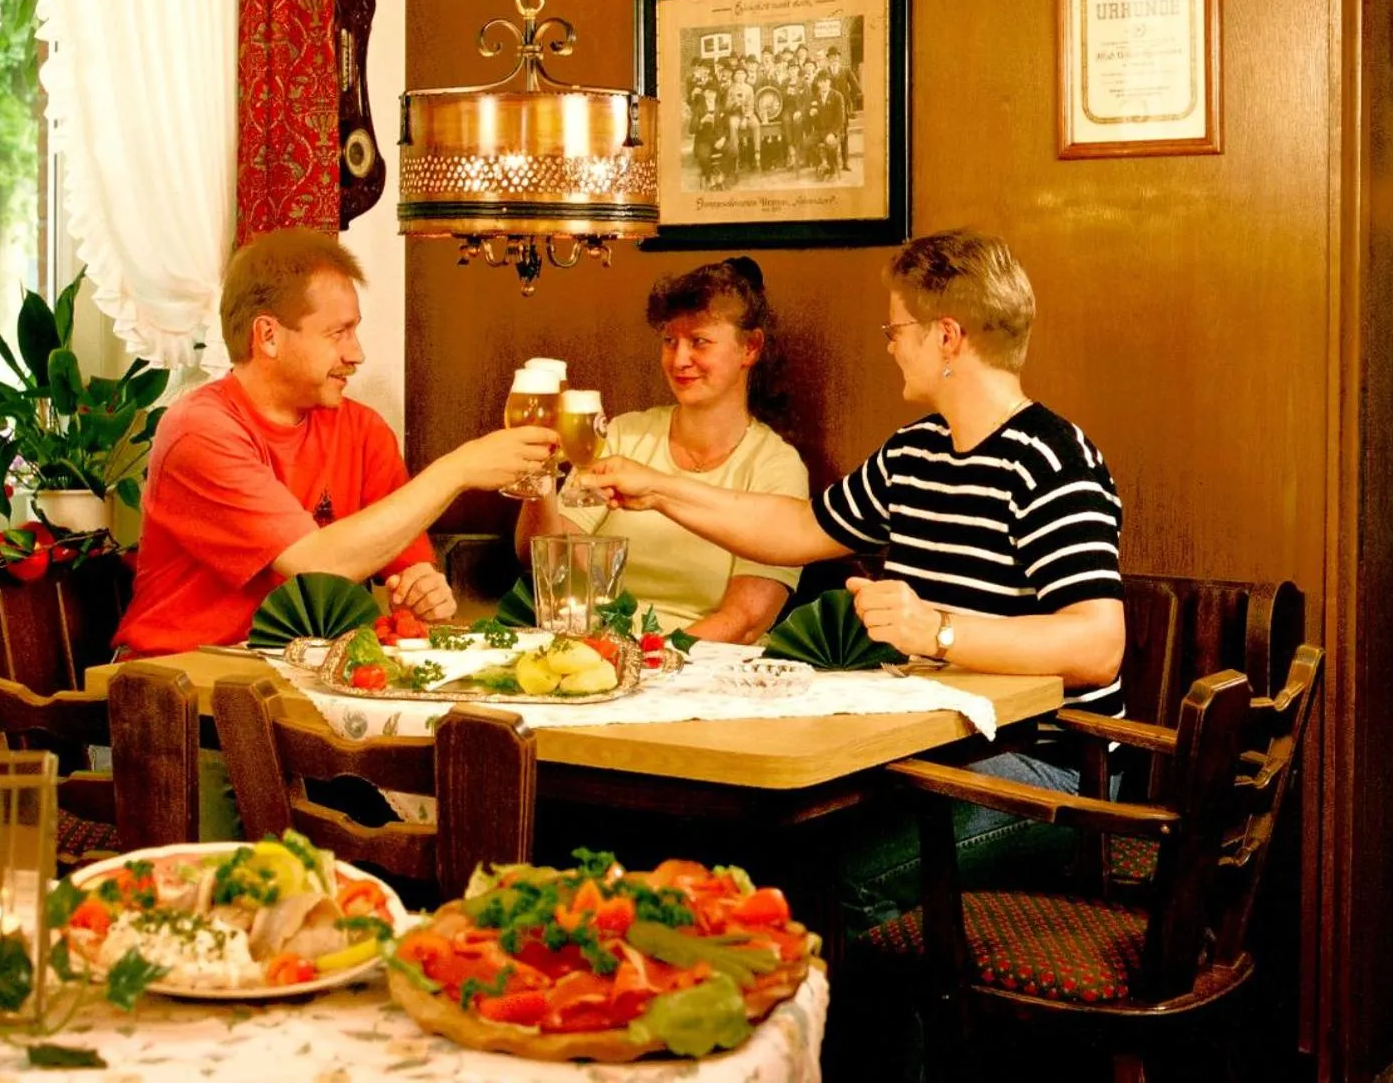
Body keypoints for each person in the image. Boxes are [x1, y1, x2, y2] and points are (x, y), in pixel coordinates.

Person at [585, 229, 1124, 933]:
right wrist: (660, 489)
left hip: (1049, 780)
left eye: (899, 328)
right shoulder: (916, 453)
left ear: (948, 337)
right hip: (933, 758)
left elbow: (1097, 644)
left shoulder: (1052, 460)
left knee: (832, 883)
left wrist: (935, 629)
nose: (891, 343)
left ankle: (880, 1048)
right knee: (753, 857)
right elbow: (799, 531)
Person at [114, 229, 558, 656]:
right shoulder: (200, 430)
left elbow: (408, 568)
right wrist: (457, 470)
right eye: (337, 333)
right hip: (177, 690)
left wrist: (423, 589)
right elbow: (315, 566)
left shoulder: (362, 430)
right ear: (268, 336)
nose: (357, 353)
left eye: (355, 330)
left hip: (294, 685)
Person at [516, 257, 809, 642]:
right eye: (670, 341)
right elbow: (554, 563)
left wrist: (654, 659)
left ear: (750, 348)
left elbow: (745, 620)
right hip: (599, 652)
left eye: (699, 341)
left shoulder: (776, 466)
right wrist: (541, 472)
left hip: (704, 666)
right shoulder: (623, 435)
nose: (680, 359)